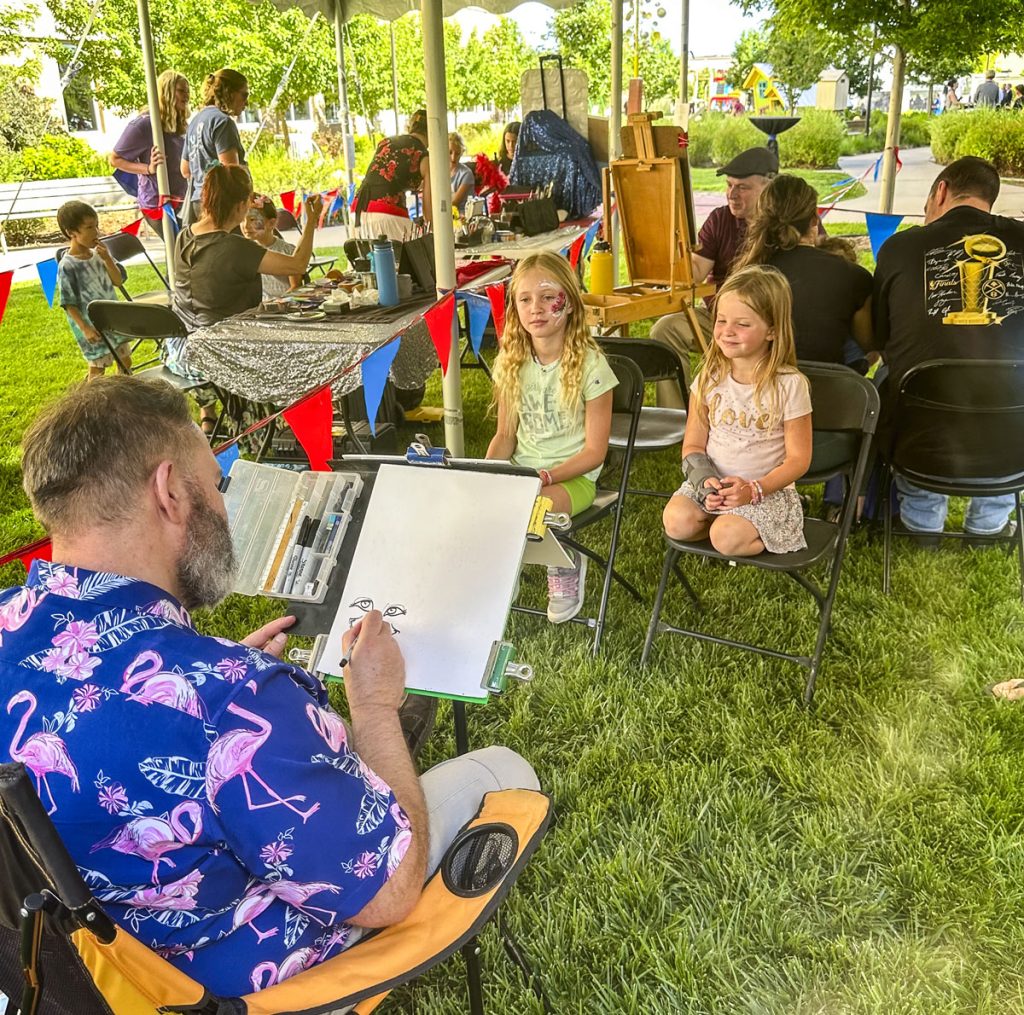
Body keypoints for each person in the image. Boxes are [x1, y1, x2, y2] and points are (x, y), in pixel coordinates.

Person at [0, 374, 539, 997]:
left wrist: (214, 681)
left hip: (68, 974)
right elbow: (387, 893)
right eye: (216, 483)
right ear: (170, 491)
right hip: (222, 990)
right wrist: (373, 706)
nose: (223, 506)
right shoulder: (228, 701)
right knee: (503, 769)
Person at [872, 155, 1024, 540]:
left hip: (918, 448)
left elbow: (881, 340)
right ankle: (990, 525)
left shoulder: (898, 247)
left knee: (893, 372)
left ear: (940, 191)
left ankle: (922, 521)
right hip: (1014, 450)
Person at [486, 252, 617, 623]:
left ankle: (564, 563)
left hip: (572, 479)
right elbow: (504, 436)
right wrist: (482, 475)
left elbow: (595, 451)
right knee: (480, 504)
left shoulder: (592, 366)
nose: (536, 308)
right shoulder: (511, 362)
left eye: (548, 297)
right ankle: (498, 571)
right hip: (523, 472)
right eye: (525, 299)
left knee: (533, 507)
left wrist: (546, 476)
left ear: (570, 303)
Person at [663, 265, 812, 557]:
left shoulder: (790, 385)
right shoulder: (709, 377)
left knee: (726, 537)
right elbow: (692, 445)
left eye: (742, 324)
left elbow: (799, 460)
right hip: (712, 486)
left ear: (772, 330)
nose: (727, 331)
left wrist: (755, 490)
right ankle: (724, 521)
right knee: (676, 522)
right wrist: (703, 481)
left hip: (766, 492)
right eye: (721, 320)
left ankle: (759, 528)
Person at [649, 146, 779, 408]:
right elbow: (696, 271)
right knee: (666, 329)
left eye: (742, 187)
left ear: (769, 188)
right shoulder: (720, 219)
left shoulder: (785, 225)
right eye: (729, 186)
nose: (732, 194)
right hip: (719, 319)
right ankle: (677, 418)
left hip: (768, 324)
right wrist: (676, 248)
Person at [732, 174, 873, 367]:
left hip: (760, 385)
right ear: (814, 220)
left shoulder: (747, 275)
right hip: (835, 389)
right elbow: (870, 343)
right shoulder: (855, 276)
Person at [173, 164, 321, 330]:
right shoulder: (235, 248)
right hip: (228, 338)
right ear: (241, 205)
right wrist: (311, 220)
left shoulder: (184, 236)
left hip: (187, 336)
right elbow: (298, 265)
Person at [55, 201, 131, 380]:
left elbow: (117, 281)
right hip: (91, 326)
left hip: (112, 320)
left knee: (125, 362)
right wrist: (85, 328)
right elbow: (68, 303)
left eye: (96, 225)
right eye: (89, 227)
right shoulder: (67, 265)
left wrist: (108, 259)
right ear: (71, 232)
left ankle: (122, 396)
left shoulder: (100, 254)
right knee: (98, 370)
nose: (96, 232)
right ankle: (91, 404)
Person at [110, 70, 190, 230]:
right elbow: (115, 159)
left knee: (187, 250)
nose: (186, 96)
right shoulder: (144, 124)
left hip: (182, 198)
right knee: (180, 250)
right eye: (181, 91)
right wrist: (148, 168)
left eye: (188, 91)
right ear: (166, 91)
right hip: (159, 203)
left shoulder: (180, 123)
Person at [181, 68, 250, 225]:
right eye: (244, 95)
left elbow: (185, 169)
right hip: (221, 206)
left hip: (198, 202)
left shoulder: (195, 121)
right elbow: (231, 171)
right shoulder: (223, 122)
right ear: (229, 92)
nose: (246, 102)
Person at [352, 110, 431, 240]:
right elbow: (429, 213)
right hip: (386, 214)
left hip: (358, 210)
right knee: (413, 256)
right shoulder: (423, 155)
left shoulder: (386, 142)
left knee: (369, 259)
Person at [241, 193, 303, 299]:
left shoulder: (287, 251)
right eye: (242, 220)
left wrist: (277, 302)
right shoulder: (246, 253)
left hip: (285, 306)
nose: (245, 226)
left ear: (271, 223)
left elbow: (295, 286)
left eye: (252, 220)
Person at [448, 131, 475, 218]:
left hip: (462, 217)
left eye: (457, 153)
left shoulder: (466, 174)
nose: (453, 158)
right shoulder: (439, 172)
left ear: (462, 153)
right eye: (450, 152)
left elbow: (454, 203)